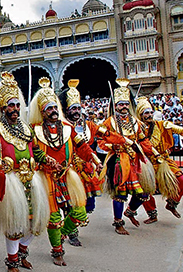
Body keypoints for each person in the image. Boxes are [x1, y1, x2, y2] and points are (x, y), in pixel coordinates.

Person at [0, 72, 51, 272]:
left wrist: (47, 160)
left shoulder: (27, 129)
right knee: (14, 226)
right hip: (11, 184)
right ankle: (12, 262)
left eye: (17, 105)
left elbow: (36, 152)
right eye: (11, 106)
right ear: (2, 108)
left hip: (31, 182)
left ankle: (22, 253)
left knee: (34, 225)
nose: (15, 109)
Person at [28, 77, 101, 266]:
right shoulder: (34, 130)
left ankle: (61, 234)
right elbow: (31, 153)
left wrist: (94, 159)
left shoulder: (67, 128)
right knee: (53, 218)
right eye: (48, 108)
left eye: (55, 107)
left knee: (79, 212)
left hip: (67, 175)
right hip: (46, 177)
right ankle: (57, 251)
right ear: (42, 112)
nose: (53, 111)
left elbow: (82, 146)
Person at [58, 80, 125, 246]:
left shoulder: (89, 125)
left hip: (87, 171)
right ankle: (71, 233)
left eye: (78, 108)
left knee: (89, 205)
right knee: (72, 204)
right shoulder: (61, 126)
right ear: (66, 110)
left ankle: (66, 227)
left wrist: (122, 139)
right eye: (73, 108)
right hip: (68, 171)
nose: (76, 111)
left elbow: (106, 134)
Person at [97, 79, 156, 235]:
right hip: (118, 161)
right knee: (120, 194)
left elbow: (143, 140)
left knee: (143, 193)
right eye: (120, 104)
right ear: (115, 106)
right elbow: (100, 140)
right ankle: (118, 223)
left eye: (125, 104)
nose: (123, 107)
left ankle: (130, 211)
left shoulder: (136, 122)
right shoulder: (109, 122)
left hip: (136, 161)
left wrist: (153, 153)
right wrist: (113, 146)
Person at [136, 96, 183, 222]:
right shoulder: (136, 129)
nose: (149, 115)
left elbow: (181, 131)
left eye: (151, 112)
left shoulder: (162, 124)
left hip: (163, 160)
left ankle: (171, 204)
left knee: (181, 180)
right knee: (145, 190)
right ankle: (152, 214)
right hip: (146, 162)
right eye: (146, 113)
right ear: (140, 115)